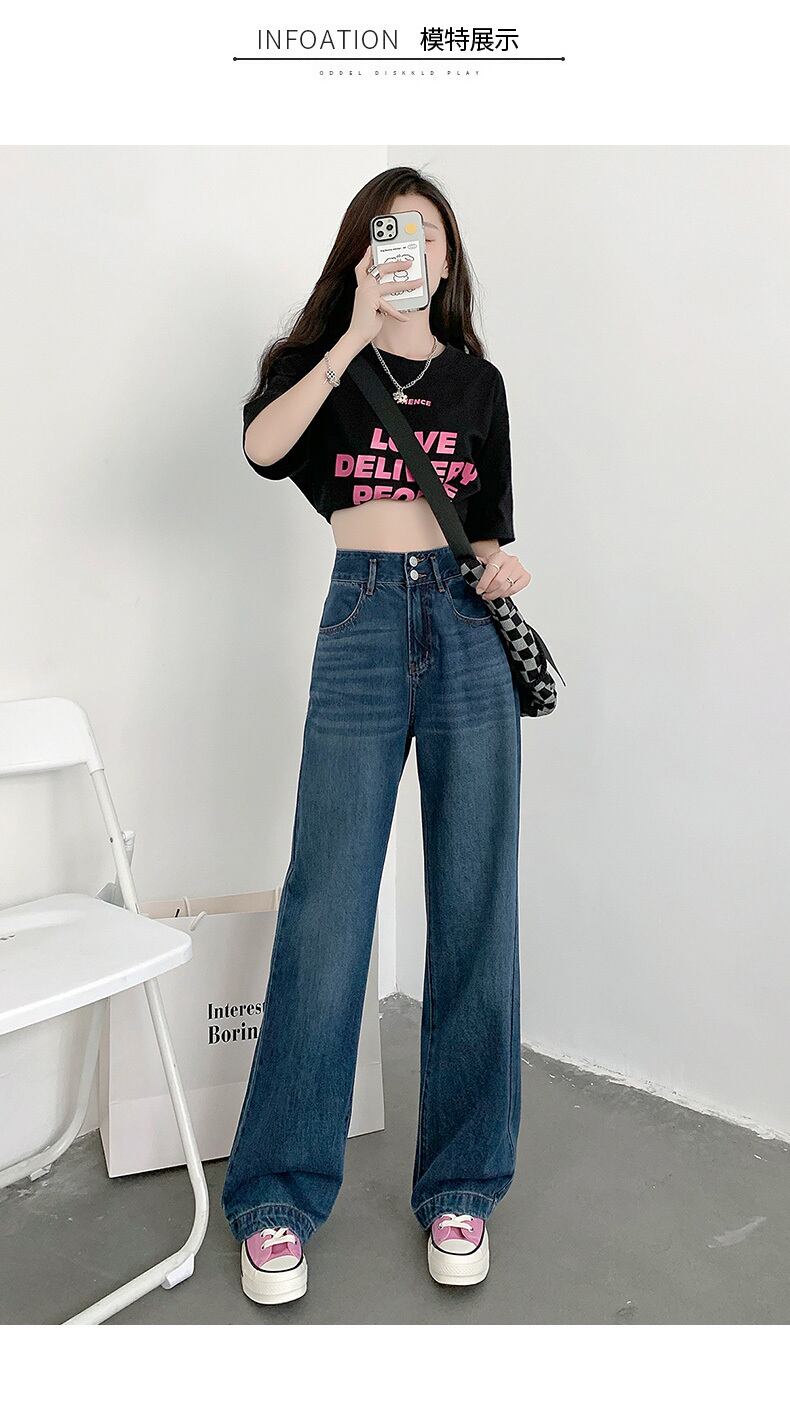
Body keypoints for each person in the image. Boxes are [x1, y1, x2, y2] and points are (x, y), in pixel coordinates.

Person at [221, 166, 531, 1305]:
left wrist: (502, 566)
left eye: (430, 235)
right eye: (391, 234)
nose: (414, 250)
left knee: (474, 904)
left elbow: (488, 530)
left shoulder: (479, 383)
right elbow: (263, 449)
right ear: (363, 253)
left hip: (462, 627)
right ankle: (276, 1194)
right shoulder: (320, 366)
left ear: (448, 262)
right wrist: (352, 332)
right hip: (358, 619)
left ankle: (461, 1187)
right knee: (327, 906)